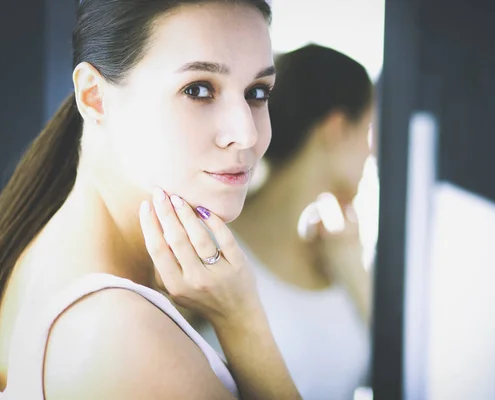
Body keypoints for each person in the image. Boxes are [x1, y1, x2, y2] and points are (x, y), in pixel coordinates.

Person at [0, 1, 301, 399]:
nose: (246, 133)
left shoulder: (46, 247)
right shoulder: (119, 334)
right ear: (94, 97)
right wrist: (243, 322)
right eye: (198, 89)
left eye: (256, 92)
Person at [193, 44, 375, 400]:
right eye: (367, 130)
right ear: (337, 128)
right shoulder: (209, 252)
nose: (371, 152)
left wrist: (355, 272)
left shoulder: (338, 258)